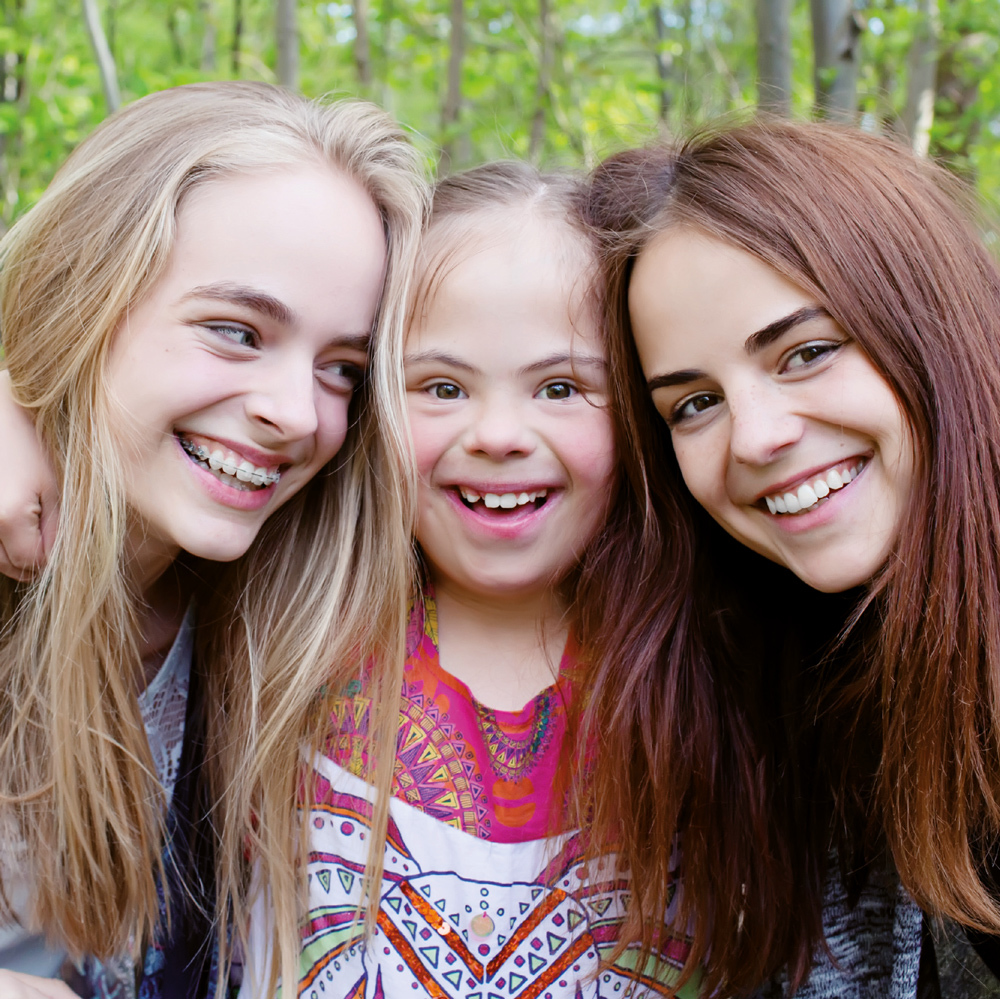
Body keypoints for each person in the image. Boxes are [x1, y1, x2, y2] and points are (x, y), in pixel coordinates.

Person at [0, 80, 425, 999]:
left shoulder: (292, 625)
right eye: (236, 331)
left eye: (341, 369)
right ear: (83, 292)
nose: (294, 413)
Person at [238, 161, 699, 998]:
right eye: (442, 387)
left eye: (560, 387)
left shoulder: (701, 668)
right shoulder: (282, 631)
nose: (497, 434)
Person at [579, 119, 1000, 996]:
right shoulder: (809, 675)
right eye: (694, 403)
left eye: (806, 351)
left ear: (930, 322)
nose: (757, 438)